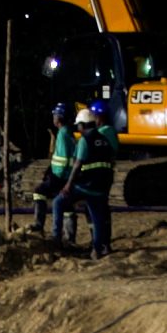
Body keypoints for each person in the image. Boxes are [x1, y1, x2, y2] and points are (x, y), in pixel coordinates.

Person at [64, 105, 116, 259]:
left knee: (61, 202)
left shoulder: (89, 139)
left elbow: (78, 164)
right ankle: (101, 245)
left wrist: (69, 184)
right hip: (103, 180)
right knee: (99, 214)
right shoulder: (105, 136)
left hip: (90, 183)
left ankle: (68, 239)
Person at [33, 101, 76, 242]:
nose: (53, 117)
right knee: (67, 206)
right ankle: (69, 237)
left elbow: (62, 160)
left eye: (55, 115)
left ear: (59, 117)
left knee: (39, 192)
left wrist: (54, 175)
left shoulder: (62, 135)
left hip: (60, 175)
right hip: (67, 175)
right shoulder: (68, 133)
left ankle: (39, 224)